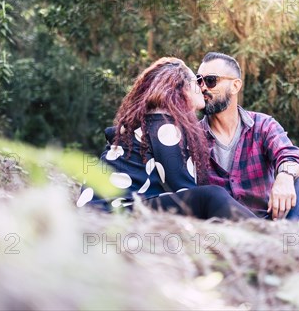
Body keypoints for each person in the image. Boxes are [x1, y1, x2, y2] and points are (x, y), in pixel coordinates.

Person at [77, 57, 257, 221]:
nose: (202, 88)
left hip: (102, 210)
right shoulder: (164, 125)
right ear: (182, 88)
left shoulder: (150, 121)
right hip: (112, 212)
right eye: (197, 81)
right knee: (210, 197)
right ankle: (265, 231)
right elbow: (184, 191)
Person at [196, 52, 299, 221]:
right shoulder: (193, 136)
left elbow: (291, 155)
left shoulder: (262, 125)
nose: (203, 87)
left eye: (211, 80)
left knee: (298, 185)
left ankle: (286, 245)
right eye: (199, 81)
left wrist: (285, 176)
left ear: (235, 86)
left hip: (268, 224)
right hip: (222, 232)